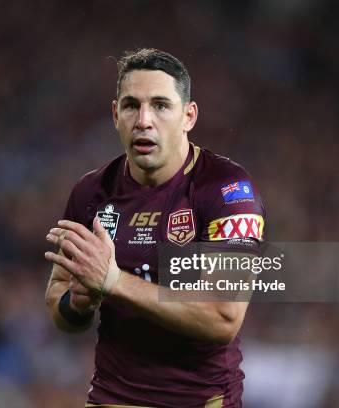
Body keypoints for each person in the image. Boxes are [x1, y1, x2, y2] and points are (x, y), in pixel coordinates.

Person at [44, 48, 265, 408]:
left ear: (188, 116)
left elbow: (224, 316)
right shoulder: (91, 192)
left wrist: (114, 282)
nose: (144, 120)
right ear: (116, 115)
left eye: (161, 105)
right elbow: (60, 306)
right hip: (110, 399)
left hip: (198, 401)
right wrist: (77, 304)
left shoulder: (227, 189)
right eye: (131, 105)